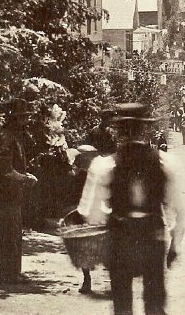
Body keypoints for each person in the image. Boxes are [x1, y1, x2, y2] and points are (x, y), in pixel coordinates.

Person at [107, 103, 185, 315]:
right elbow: (179, 209)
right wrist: (175, 245)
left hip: (121, 237)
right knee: (154, 301)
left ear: (120, 131)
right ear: (144, 129)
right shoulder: (165, 162)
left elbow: (92, 211)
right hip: (152, 236)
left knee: (122, 300)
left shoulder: (106, 165)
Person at [0, 98, 38, 284]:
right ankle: (9, 275)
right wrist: (26, 179)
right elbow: (5, 170)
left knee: (14, 232)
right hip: (5, 194)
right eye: (22, 118)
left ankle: (13, 272)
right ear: (14, 119)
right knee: (9, 233)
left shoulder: (13, 136)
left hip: (13, 194)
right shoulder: (4, 137)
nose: (26, 121)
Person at [74, 107, 118, 294]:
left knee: (90, 237)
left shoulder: (96, 133)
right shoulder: (110, 135)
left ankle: (88, 280)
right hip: (100, 184)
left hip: (97, 184)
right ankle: (92, 280)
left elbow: (83, 153)